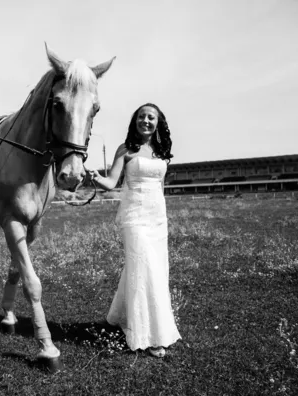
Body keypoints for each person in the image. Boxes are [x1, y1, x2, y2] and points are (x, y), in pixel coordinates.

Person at [86, 103, 181, 358]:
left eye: (151, 117)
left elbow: (159, 187)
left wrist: (163, 217)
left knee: (152, 269)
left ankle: (117, 316)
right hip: (134, 217)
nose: (146, 121)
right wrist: (95, 176)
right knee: (144, 267)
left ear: (158, 122)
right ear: (135, 121)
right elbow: (110, 182)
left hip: (157, 218)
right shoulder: (125, 149)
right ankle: (149, 335)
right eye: (141, 117)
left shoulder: (162, 151)